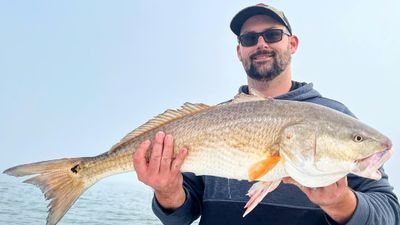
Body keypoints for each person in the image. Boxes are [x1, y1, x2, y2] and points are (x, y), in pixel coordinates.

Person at [133, 3, 400, 225]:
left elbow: (389, 213)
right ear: (239, 51)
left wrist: (341, 203)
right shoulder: (213, 119)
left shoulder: (332, 115)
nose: (261, 44)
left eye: (272, 35)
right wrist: (167, 192)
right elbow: (182, 217)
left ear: (292, 44)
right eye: (249, 39)